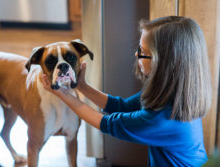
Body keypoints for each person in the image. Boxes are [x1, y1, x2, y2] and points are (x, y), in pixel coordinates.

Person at [42, 16, 212, 166]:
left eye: (143, 52)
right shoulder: (167, 92)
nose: (136, 55)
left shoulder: (163, 117)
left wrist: (63, 93)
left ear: (165, 63)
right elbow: (120, 106)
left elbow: (108, 123)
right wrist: (81, 86)